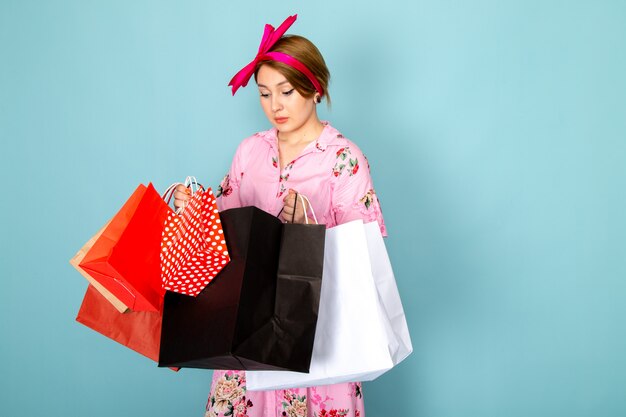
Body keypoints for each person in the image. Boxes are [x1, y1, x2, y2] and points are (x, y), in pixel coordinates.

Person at [174, 14, 386, 417]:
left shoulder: (345, 159)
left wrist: (310, 227)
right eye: (264, 94)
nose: (275, 106)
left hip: (318, 338)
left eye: (286, 92)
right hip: (244, 330)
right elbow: (223, 233)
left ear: (315, 90)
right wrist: (193, 209)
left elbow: (367, 256)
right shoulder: (249, 151)